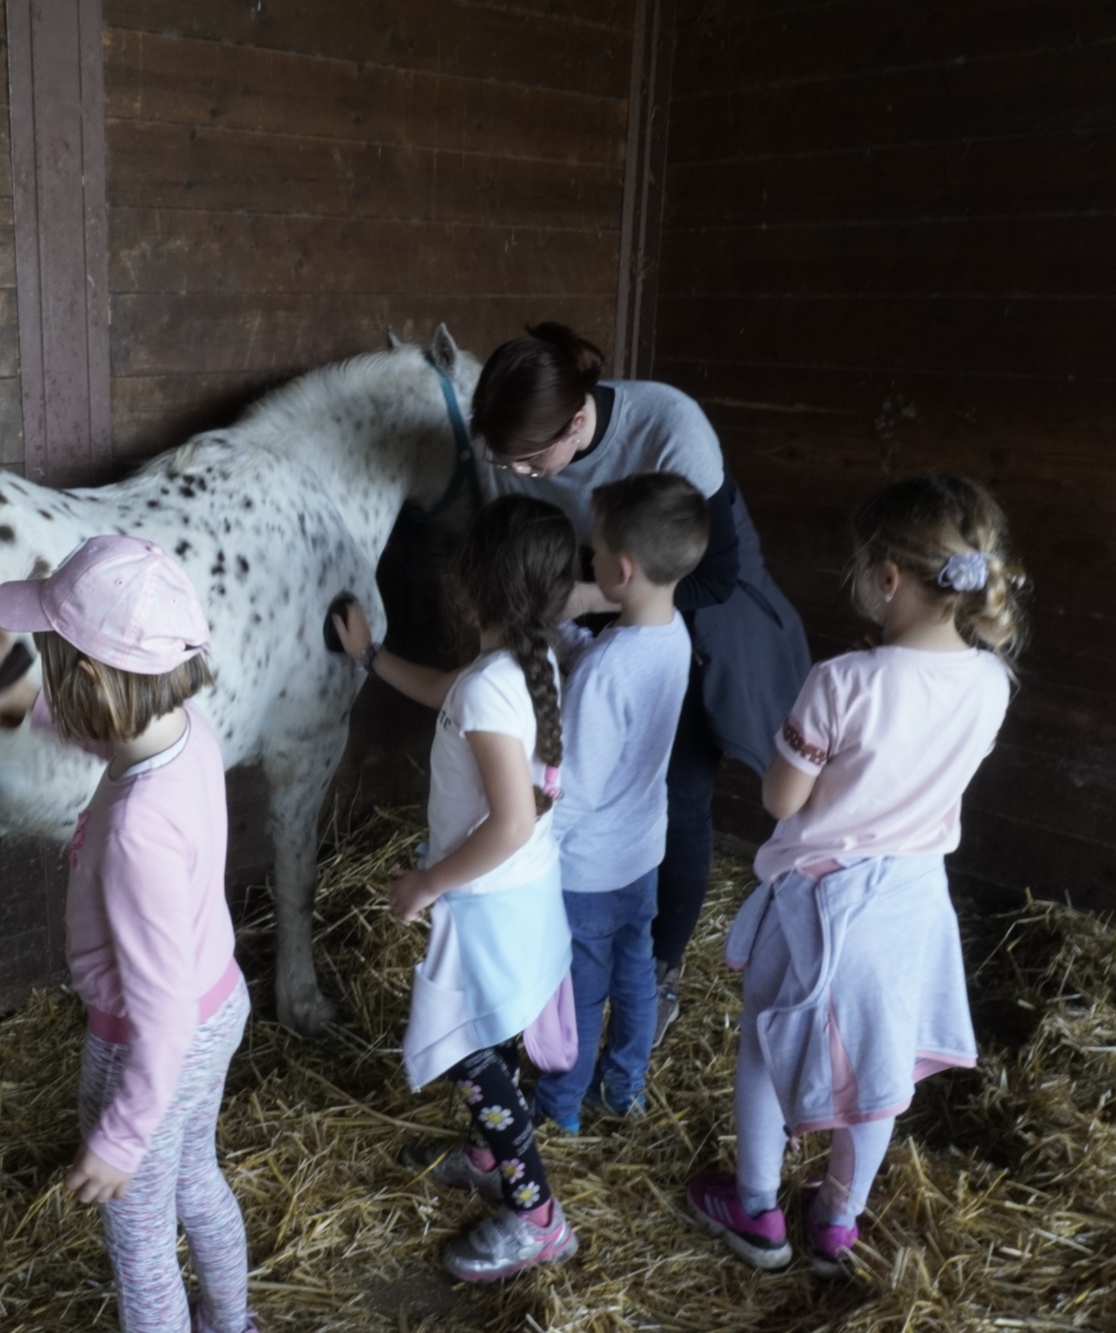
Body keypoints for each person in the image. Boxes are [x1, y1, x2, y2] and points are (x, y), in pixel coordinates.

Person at [684, 474, 1026, 1274]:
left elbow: (781, 796)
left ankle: (758, 1207)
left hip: (822, 901)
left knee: (767, 1047)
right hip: (913, 904)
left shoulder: (842, 681)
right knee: (883, 1064)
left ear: (888, 576)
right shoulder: (991, 683)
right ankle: (838, 1221)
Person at [469, 323, 811, 1046]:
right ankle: (573, 957)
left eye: (532, 459)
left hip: (673, 616)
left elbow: (714, 575)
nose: (521, 472)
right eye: (509, 460)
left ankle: (659, 969)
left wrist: (595, 602)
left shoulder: (668, 427)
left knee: (677, 792)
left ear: (576, 419)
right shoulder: (519, 448)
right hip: (587, 606)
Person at [0, 536, 257, 1333]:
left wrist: (122, 1139)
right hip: (218, 999)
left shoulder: (135, 830)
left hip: (149, 1041)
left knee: (138, 1240)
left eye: (48, 658)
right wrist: (22, 701)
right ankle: (233, 1323)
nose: (45, 666)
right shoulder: (184, 725)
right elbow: (105, 729)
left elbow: (158, 1020)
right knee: (198, 1181)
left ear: (91, 677)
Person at [330, 495, 580, 1282]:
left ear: (471, 586)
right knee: (496, 1037)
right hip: (527, 893)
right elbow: (449, 691)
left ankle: (538, 1216)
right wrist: (371, 658)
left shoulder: (491, 686)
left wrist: (426, 883)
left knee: (475, 1058)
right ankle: (484, 1153)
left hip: (487, 901)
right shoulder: (521, 668)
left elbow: (506, 821)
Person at [533, 472, 710, 1133]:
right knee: (637, 970)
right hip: (643, 850)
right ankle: (623, 1086)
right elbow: (616, 669)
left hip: (586, 867)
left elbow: (571, 787)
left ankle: (558, 1106)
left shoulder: (606, 672)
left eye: (595, 549)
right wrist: (570, 638)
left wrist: (532, 848)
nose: (590, 559)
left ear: (622, 568)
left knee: (578, 989)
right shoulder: (670, 634)